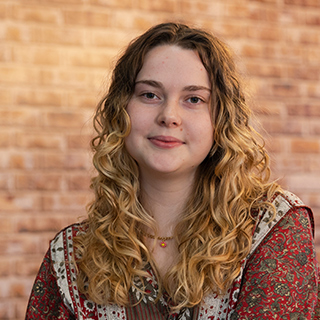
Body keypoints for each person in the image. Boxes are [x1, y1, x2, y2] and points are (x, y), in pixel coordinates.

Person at [25, 22, 319, 319]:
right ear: (121, 110)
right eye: (150, 95)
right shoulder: (72, 256)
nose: (169, 116)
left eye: (194, 99)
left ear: (221, 120)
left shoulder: (271, 227)